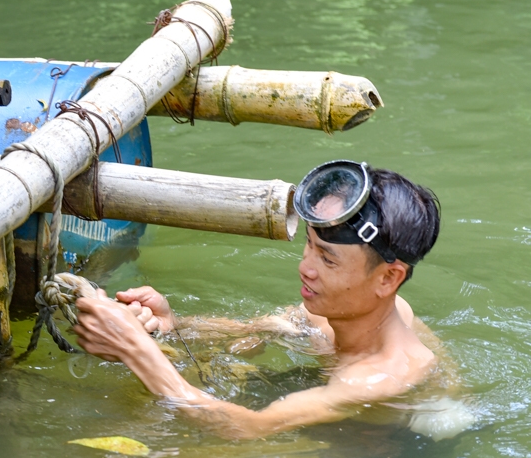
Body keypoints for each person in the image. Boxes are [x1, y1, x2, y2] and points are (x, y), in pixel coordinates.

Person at [72, 160, 472, 441]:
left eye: (327, 259)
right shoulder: (353, 313)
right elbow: (260, 328)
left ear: (388, 278)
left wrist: (135, 349)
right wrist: (174, 325)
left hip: (372, 446)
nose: (305, 268)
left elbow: (246, 429)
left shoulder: (375, 379)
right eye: (309, 247)